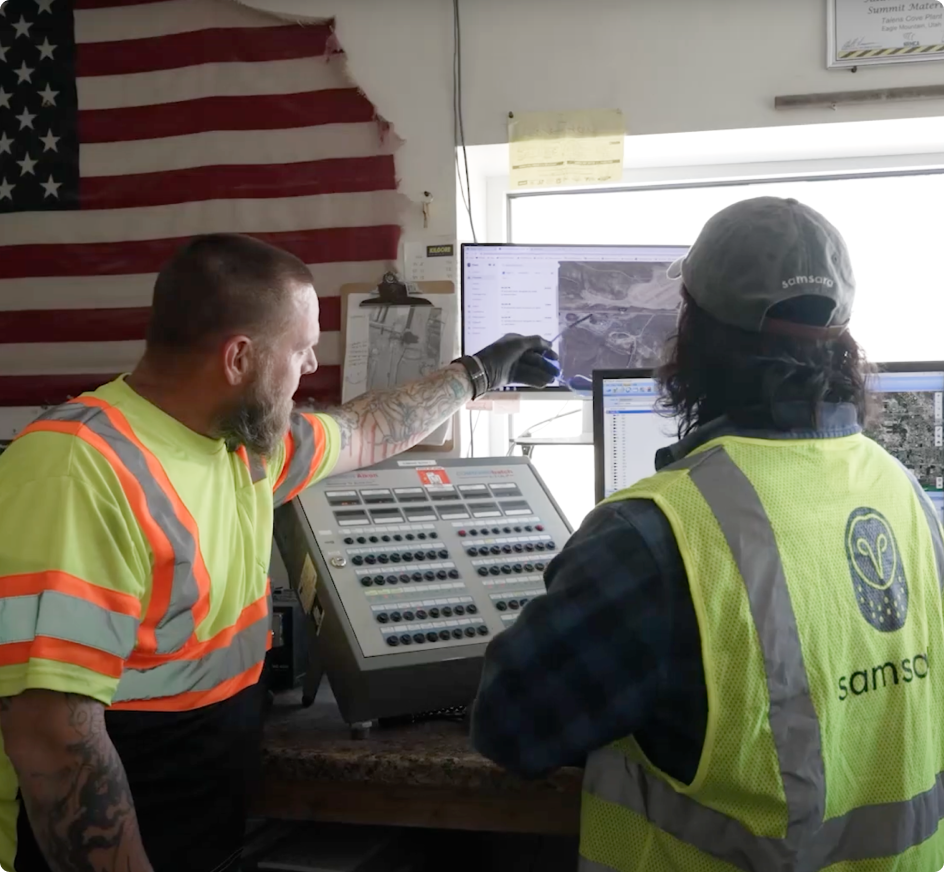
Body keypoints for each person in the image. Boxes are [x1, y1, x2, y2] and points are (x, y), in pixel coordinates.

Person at [0, 233, 558, 872]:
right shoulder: (79, 468)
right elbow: (53, 739)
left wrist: (480, 373)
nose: (312, 367)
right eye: (301, 349)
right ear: (239, 357)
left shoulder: (244, 447)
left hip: (203, 814)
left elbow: (367, 428)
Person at [471, 197, 944, 871]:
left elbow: (511, 730)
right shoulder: (903, 491)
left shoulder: (654, 534)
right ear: (842, 337)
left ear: (693, 334)